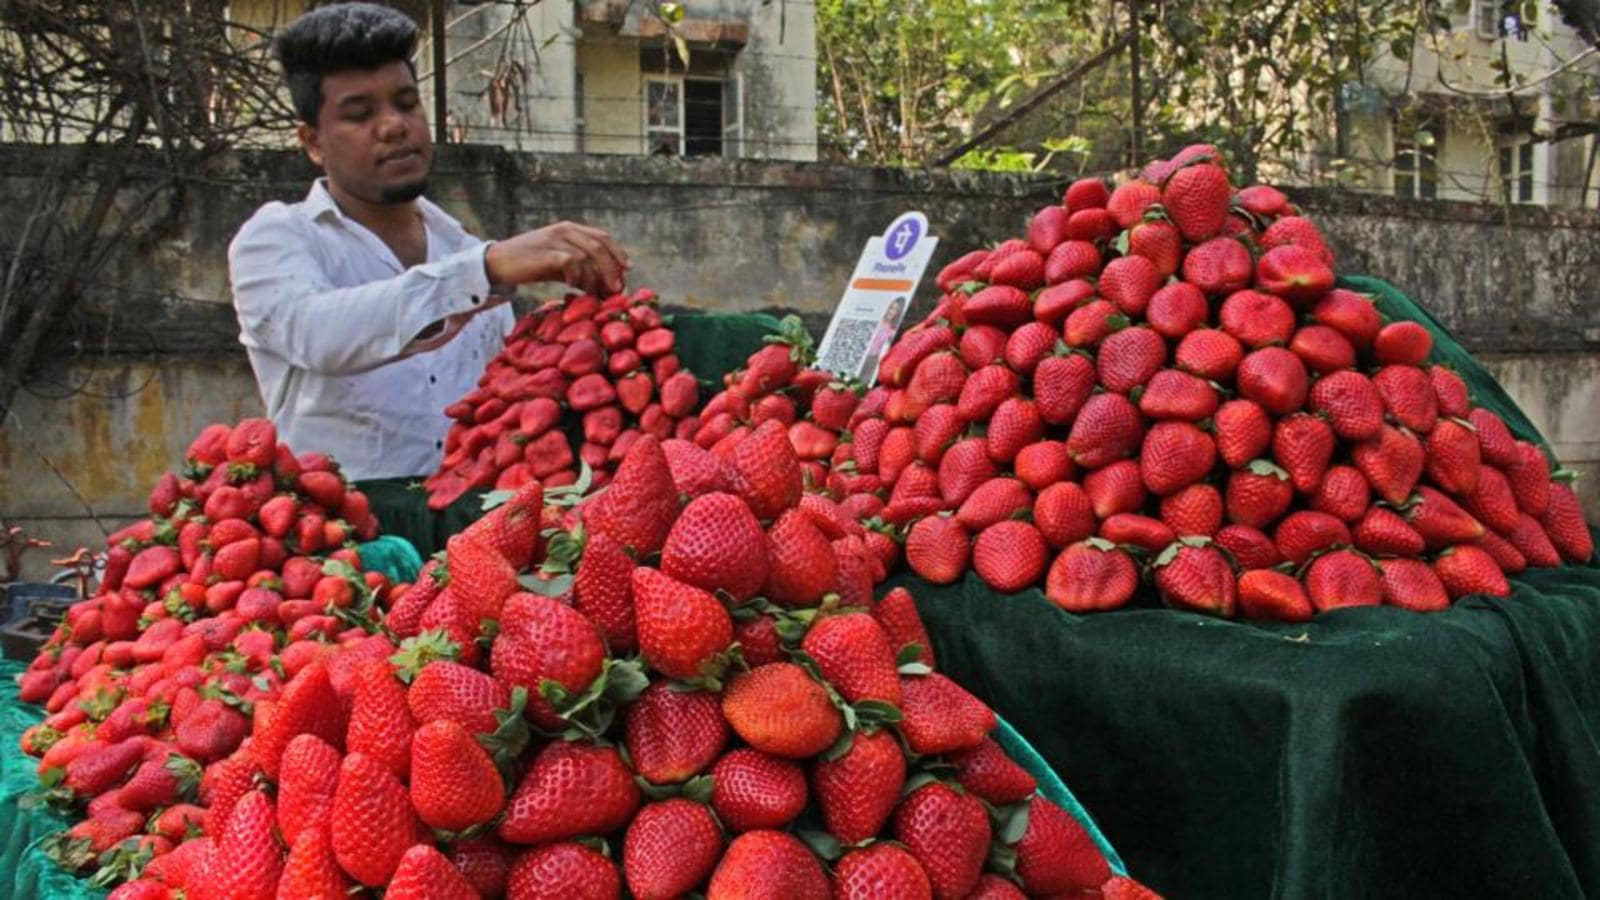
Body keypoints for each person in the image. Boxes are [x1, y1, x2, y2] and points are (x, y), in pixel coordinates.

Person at [228, 2, 629, 482]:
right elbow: (318, 334)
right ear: (313, 142)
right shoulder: (276, 239)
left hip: (466, 539)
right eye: (360, 114)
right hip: (337, 541)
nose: (394, 126)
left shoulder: (461, 248)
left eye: (405, 103)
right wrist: (485, 271)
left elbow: (501, 407)